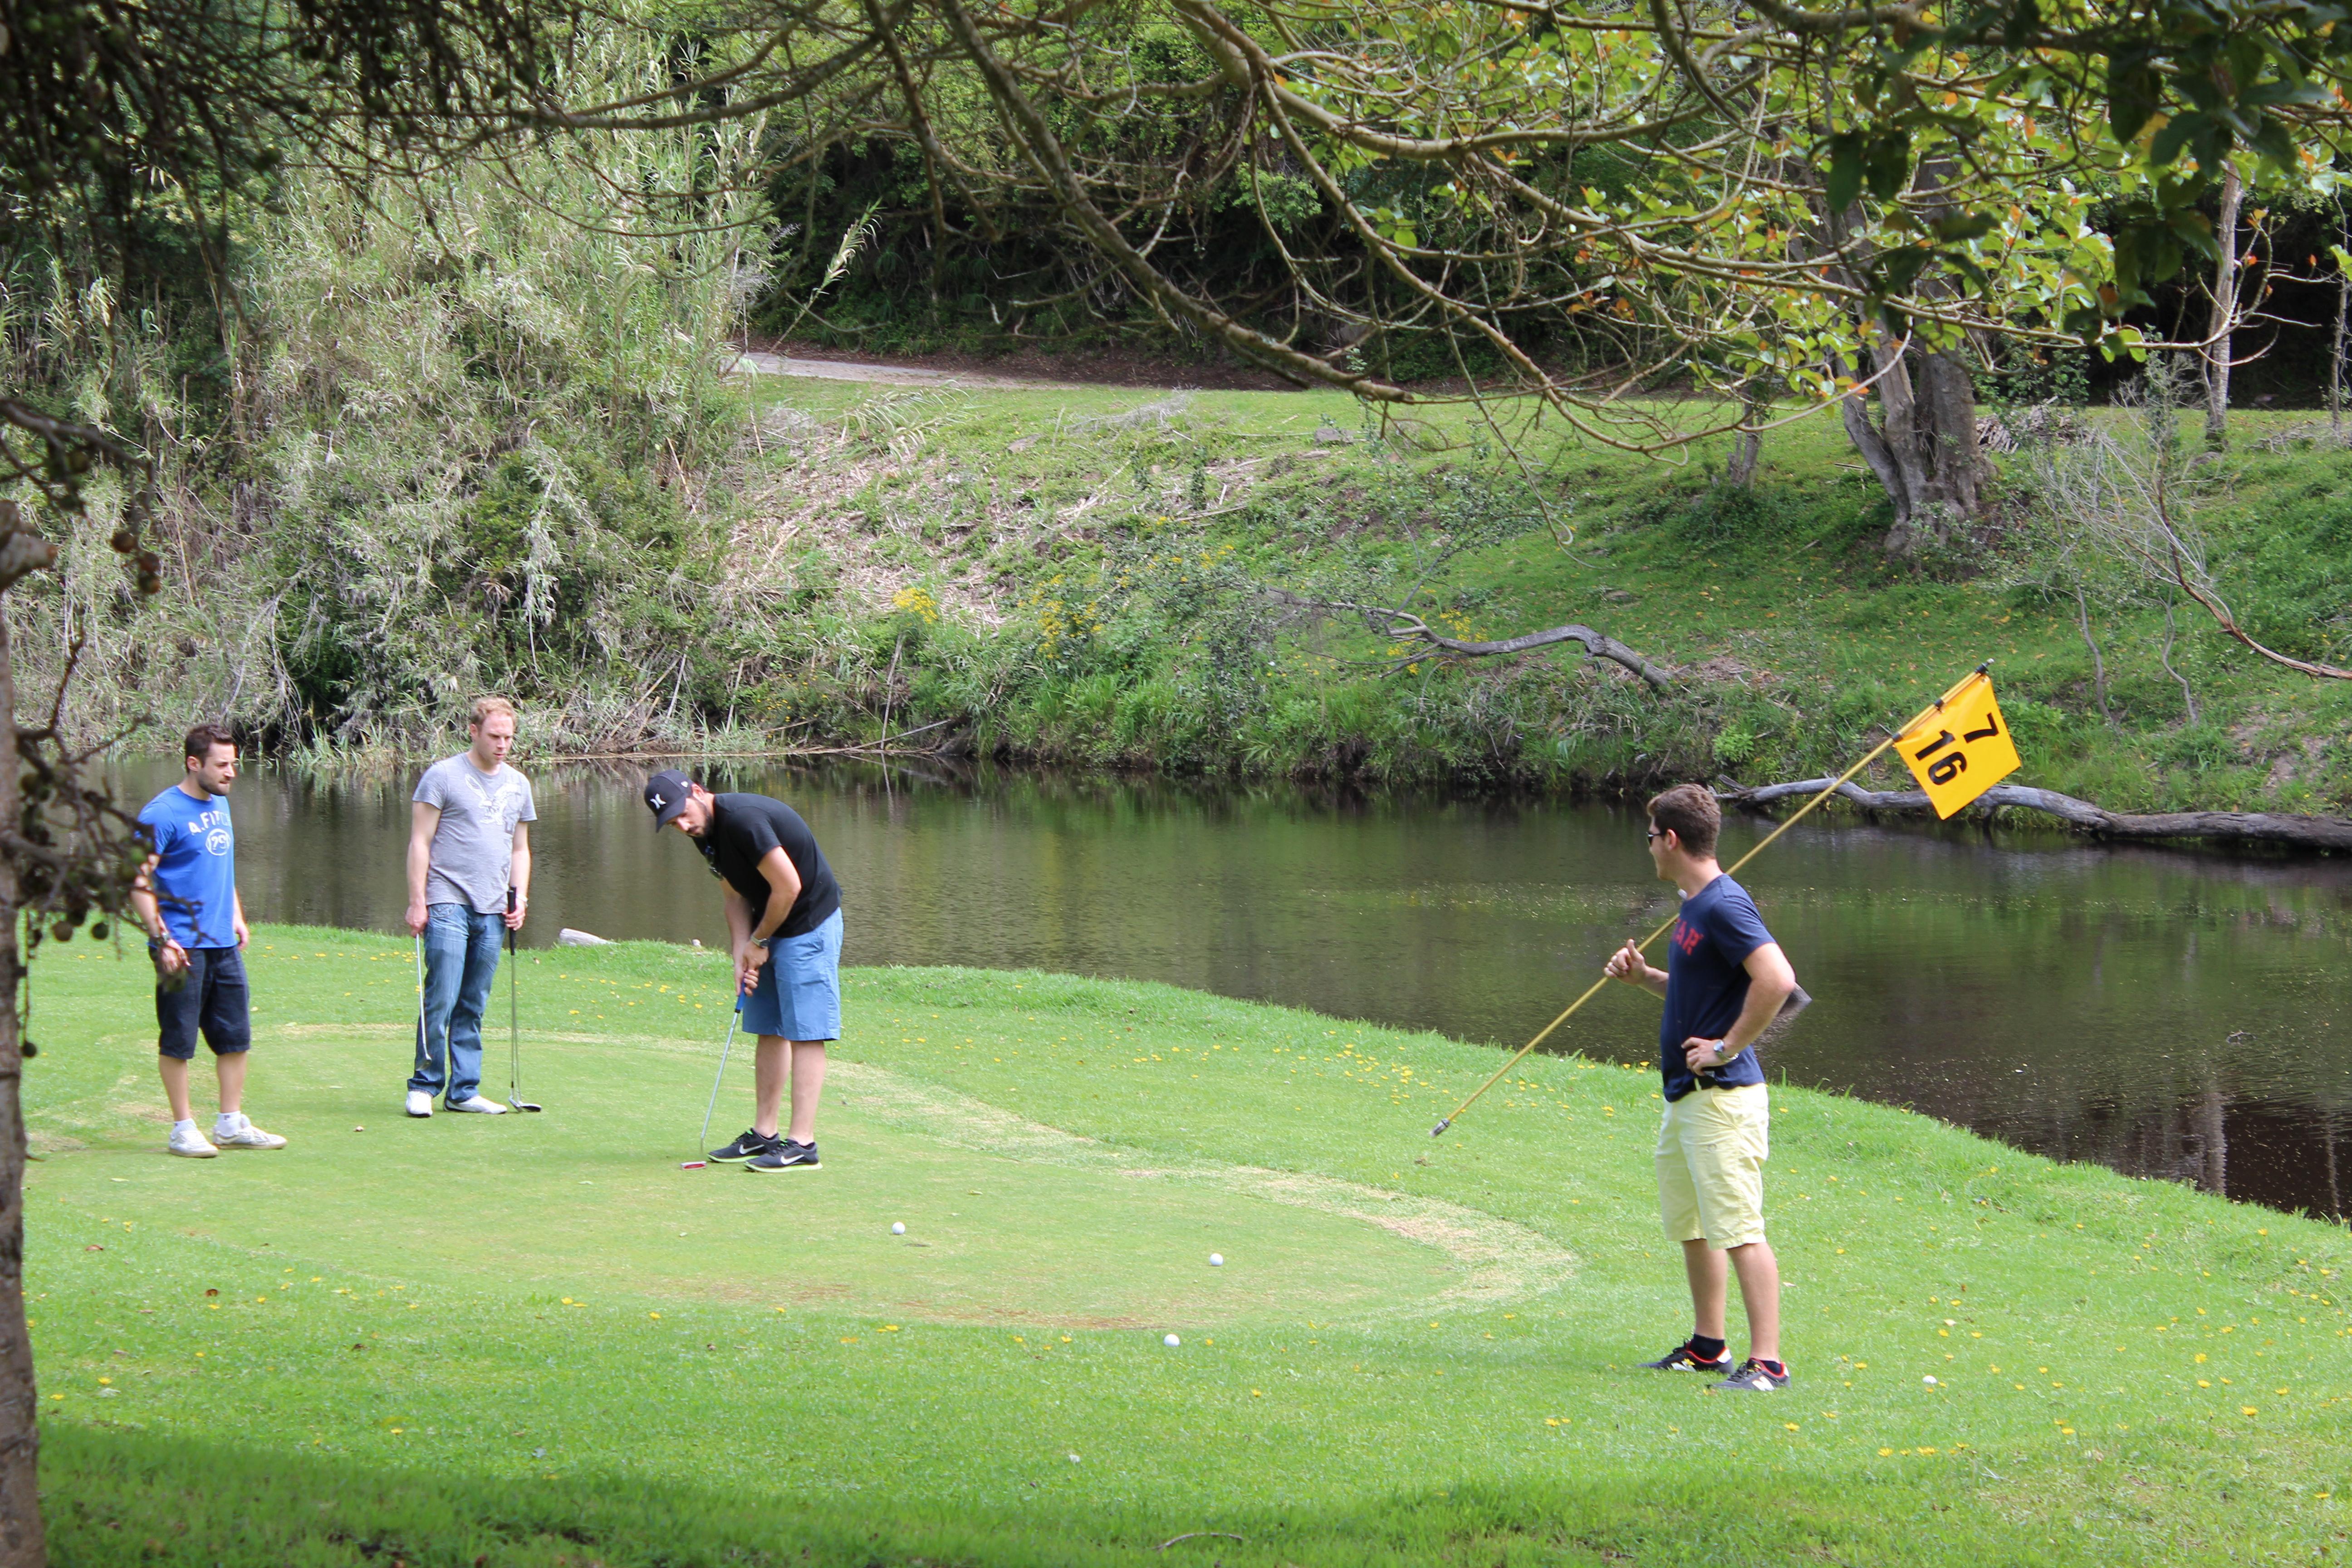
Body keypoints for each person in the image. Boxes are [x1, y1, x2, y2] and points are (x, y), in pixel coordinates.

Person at [1603, 783, 1799, 1393]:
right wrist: (1647, 980)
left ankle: (1767, 1366)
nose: (1648, 847)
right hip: (1687, 1100)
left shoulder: (1723, 905)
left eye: (1650, 836)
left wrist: (1726, 1047)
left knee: (1739, 1227)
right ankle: (1708, 1348)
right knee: (1693, 1225)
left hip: (1723, 1101)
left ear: (1672, 839)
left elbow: (1778, 979)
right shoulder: (1695, 904)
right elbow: (1703, 992)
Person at [644, 769, 842, 1172]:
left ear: (698, 792)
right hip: (767, 926)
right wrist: (740, 951)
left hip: (808, 924)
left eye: (684, 814)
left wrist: (760, 941)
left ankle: (803, 1144)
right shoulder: (705, 834)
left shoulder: (744, 819)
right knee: (768, 1025)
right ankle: (764, 1134)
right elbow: (734, 895)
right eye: (674, 823)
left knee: (806, 1030)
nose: (684, 826)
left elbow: (789, 887)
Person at [130, 724, 286, 1158]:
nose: (231, 772)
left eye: (234, 764)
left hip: (221, 943)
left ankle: (230, 1123)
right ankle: (182, 1128)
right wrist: (162, 939)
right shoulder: (162, 813)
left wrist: (236, 915)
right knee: (179, 1039)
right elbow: (136, 880)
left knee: (235, 1036)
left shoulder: (220, 804)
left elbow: (221, 866)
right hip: (181, 946)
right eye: (222, 765)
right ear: (193, 763)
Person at [404, 696, 534, 1117]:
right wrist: (417, 901)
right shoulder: (442, 776)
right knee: (441, 994)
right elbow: (420, 842)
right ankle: (424, 1084)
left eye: (509, 738)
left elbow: (521, 849)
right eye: (495, 736)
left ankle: (464, 1090)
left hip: (494, 906)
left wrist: (521, 897)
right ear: (474, 731)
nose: (502, 745)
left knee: (474, 1002)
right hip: (447, 898)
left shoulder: (519, 784)